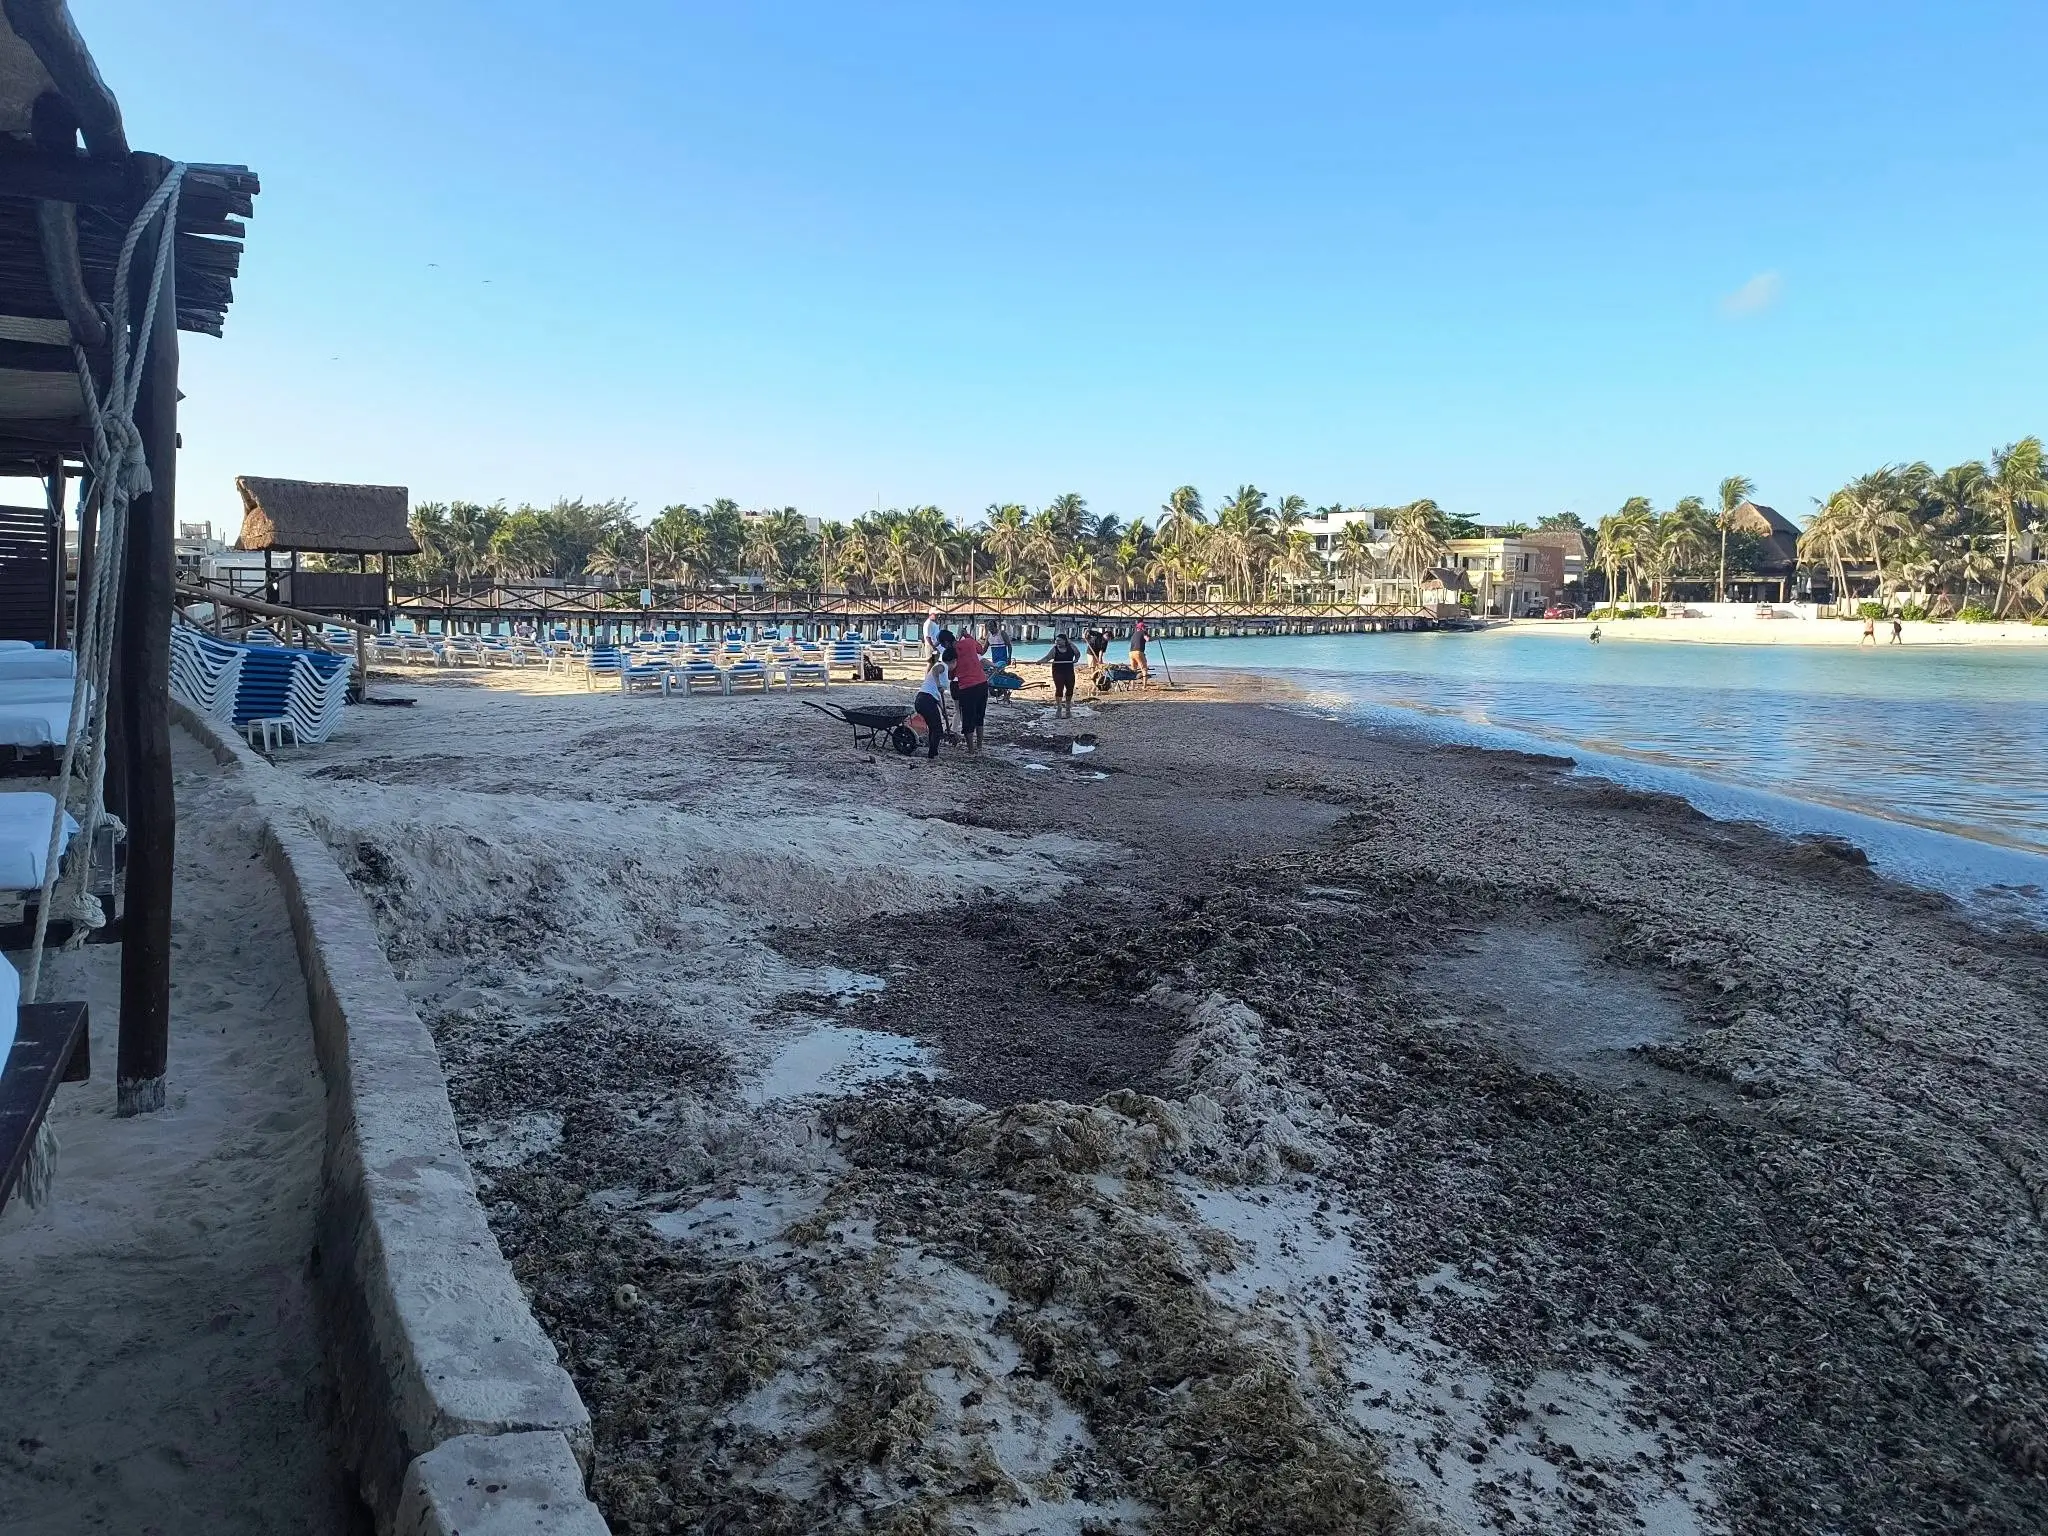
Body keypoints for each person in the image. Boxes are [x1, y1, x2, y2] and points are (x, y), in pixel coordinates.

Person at [949, 626, 991, 750]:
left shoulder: (952, 651)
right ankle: (979, 746)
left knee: (967, 718)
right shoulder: (969, 642)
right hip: (982, 683)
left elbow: (952, 673)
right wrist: (968, 636)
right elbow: (981, 650)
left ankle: (971, 750)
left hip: (966, 687)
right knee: (979, 717)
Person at [913, 652, 948, 760]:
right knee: (937, 729)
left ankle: (933, 752)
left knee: (934, 728)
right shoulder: (943, 666)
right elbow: (935, 670)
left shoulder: (945, 669)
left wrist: (943, 710)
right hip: (926, 700)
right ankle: (932, 755)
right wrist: (939, 685)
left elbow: (936, 696)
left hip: (924, 699)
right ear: (954, 661)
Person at [1038, 629, 1081, 718]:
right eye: (1056, 640)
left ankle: (1068, 707)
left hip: (1069, 670)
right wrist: (1040, 661)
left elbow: (1077, 653)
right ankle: (1059, 707)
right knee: (1059, 688)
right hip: (1057, 671)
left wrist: (1076, 659)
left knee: (1070, 688)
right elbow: (1047, 658)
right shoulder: (1054, 649)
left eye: (1059, 640)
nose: (1057, 642)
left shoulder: (1071, 646)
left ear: (1064, 641)